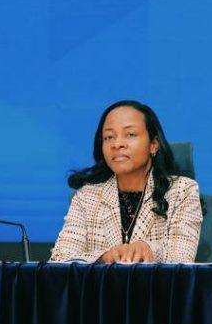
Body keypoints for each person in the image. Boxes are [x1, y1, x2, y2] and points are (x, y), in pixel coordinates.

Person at [50, 100, 202, 263]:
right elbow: (60, 258)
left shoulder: (181, 191)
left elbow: (182, 258)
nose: (117, 144)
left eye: (130, 134)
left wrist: (149, 250)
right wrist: (103, 257)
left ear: (153, 145)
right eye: (109, 137)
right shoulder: (87, 196)